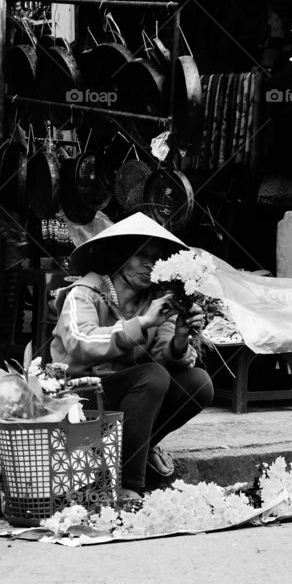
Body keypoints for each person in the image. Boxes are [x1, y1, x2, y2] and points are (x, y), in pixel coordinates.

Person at [50, 214, 214, 500]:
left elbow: (166, 358)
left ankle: (138, 448)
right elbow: (81, 342)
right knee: (152, 375)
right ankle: (129, 486)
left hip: (129, 395)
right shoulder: (85, 293)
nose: (150, 264)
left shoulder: (158, 302)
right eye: (141, 256)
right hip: (78, 396)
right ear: (121, 258)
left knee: (198, 383)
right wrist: (142, 323)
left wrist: (179, 337)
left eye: (156, 257)